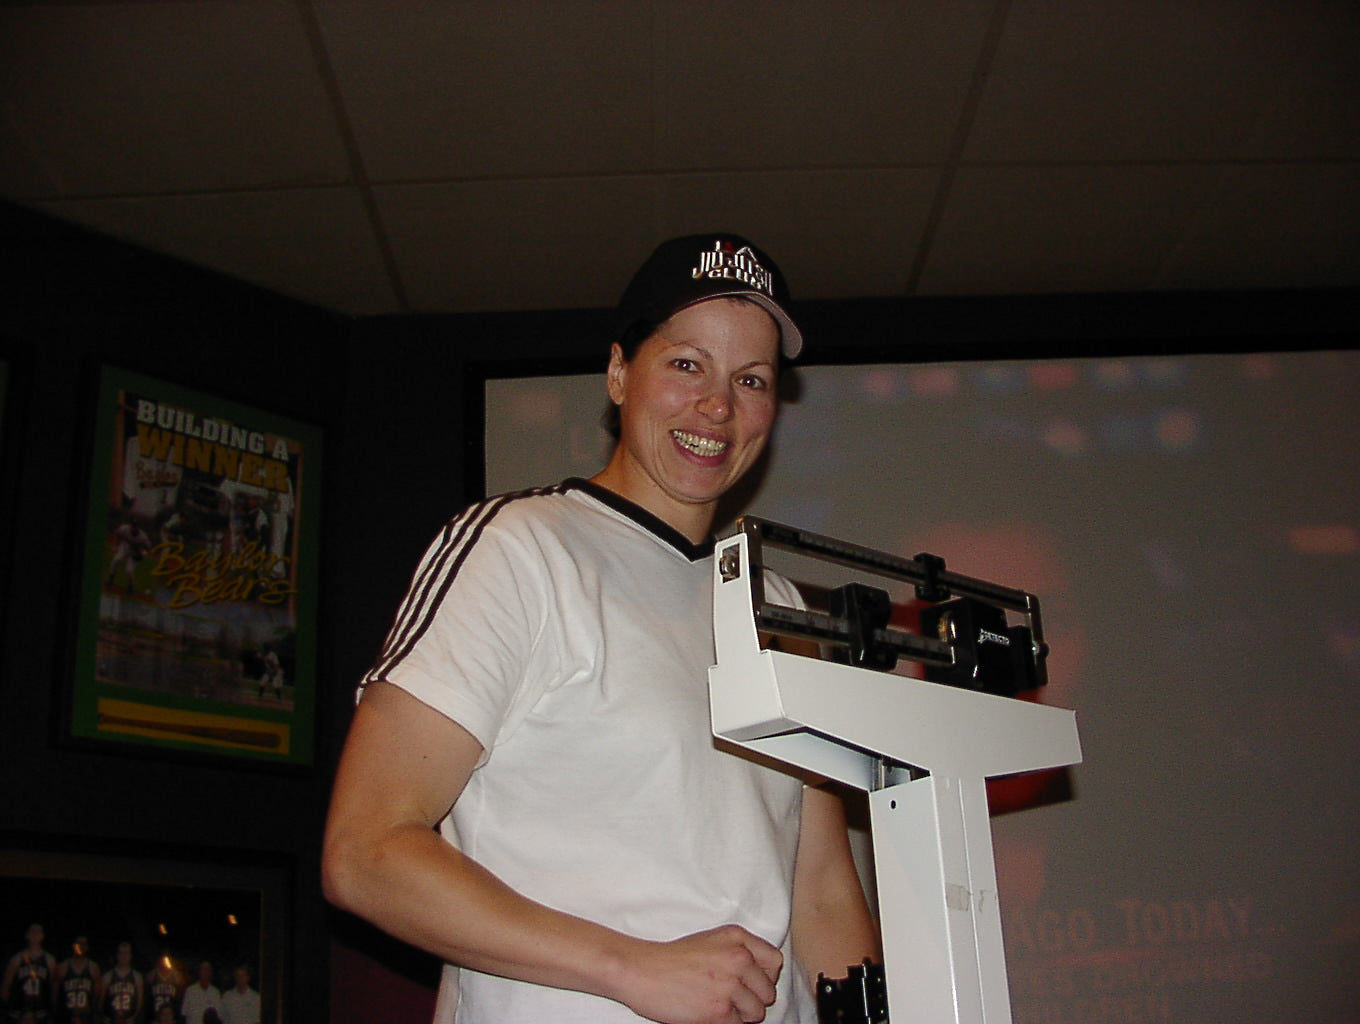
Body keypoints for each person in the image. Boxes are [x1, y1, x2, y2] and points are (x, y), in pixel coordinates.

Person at [323, 233, 880, 1024]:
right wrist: (632, 968)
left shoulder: (778, 609)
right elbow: (366, 852)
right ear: (619, 372)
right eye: (686, 364)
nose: (717, 406)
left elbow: (821, 893)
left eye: (749, 379)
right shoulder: (518, 550)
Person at [2, 924, 56, 1024]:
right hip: (20, 1007)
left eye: (38, 932)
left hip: (40, 1008)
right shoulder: (17, 959)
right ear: (27, 935)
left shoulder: (49, 960)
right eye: (32, 932)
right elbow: (6, 986)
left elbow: (53, 987)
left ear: (42, 936)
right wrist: (7, 1006)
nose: (35, 935)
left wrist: (51, 1007)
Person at [54, 937, 99, 1024]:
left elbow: (96, 996)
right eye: (79, 943)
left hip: (86, 1016)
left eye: (84, 944)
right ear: (73, 946)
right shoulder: (63, 967)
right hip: (67, 1016)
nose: (81, 946)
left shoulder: (93, 968)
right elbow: (55, 994)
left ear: (87, 947)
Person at [97, 942, 142, 1024]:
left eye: (126, 953)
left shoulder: (137, 977)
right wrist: (105, 1018)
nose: (124, 957)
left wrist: (133, 1018)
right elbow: (100, 1001)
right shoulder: (108, 976)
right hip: (111, 1019)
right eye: (121, 953)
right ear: (117, 955)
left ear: (131, 956)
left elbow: (139, 1003)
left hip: (129, 1020)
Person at [145, 951, 185, 1023]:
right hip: (155, 1016)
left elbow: (180, 999)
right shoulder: (152, 976)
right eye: (162, 959)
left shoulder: (177, 976)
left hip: (171, 1017)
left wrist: (176, 1017)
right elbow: (148, 999)